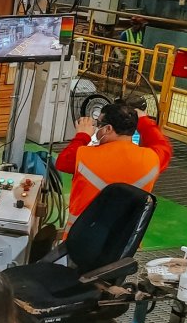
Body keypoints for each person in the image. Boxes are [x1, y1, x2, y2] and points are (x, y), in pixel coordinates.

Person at [56, 101, 172, 235]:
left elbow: (63, 162)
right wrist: (144, 121)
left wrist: (82, 135)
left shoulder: (84, 156)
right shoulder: (151, 159)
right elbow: (163, 146)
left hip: (81, 237)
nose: (97, 128)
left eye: (99, 124)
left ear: (108, 129)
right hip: (123, 241)